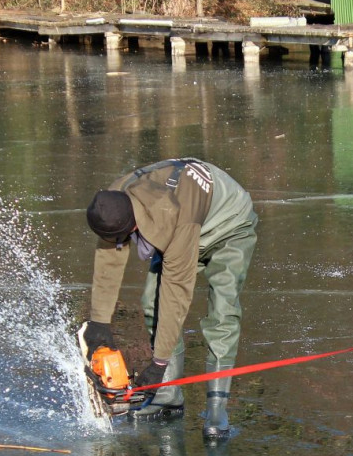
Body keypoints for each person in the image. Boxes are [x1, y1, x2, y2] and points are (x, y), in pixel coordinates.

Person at [81, 158, 258, 440]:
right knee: (151, 301)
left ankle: (217, 408)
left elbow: (175, 295)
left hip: (229, 224)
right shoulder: (112, 201)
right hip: (185, 217)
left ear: (133, 226)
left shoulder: (173, 217)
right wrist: (99, 322)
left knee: (222, 314)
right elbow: (108, 259)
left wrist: (158, 364)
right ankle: (169, 395)